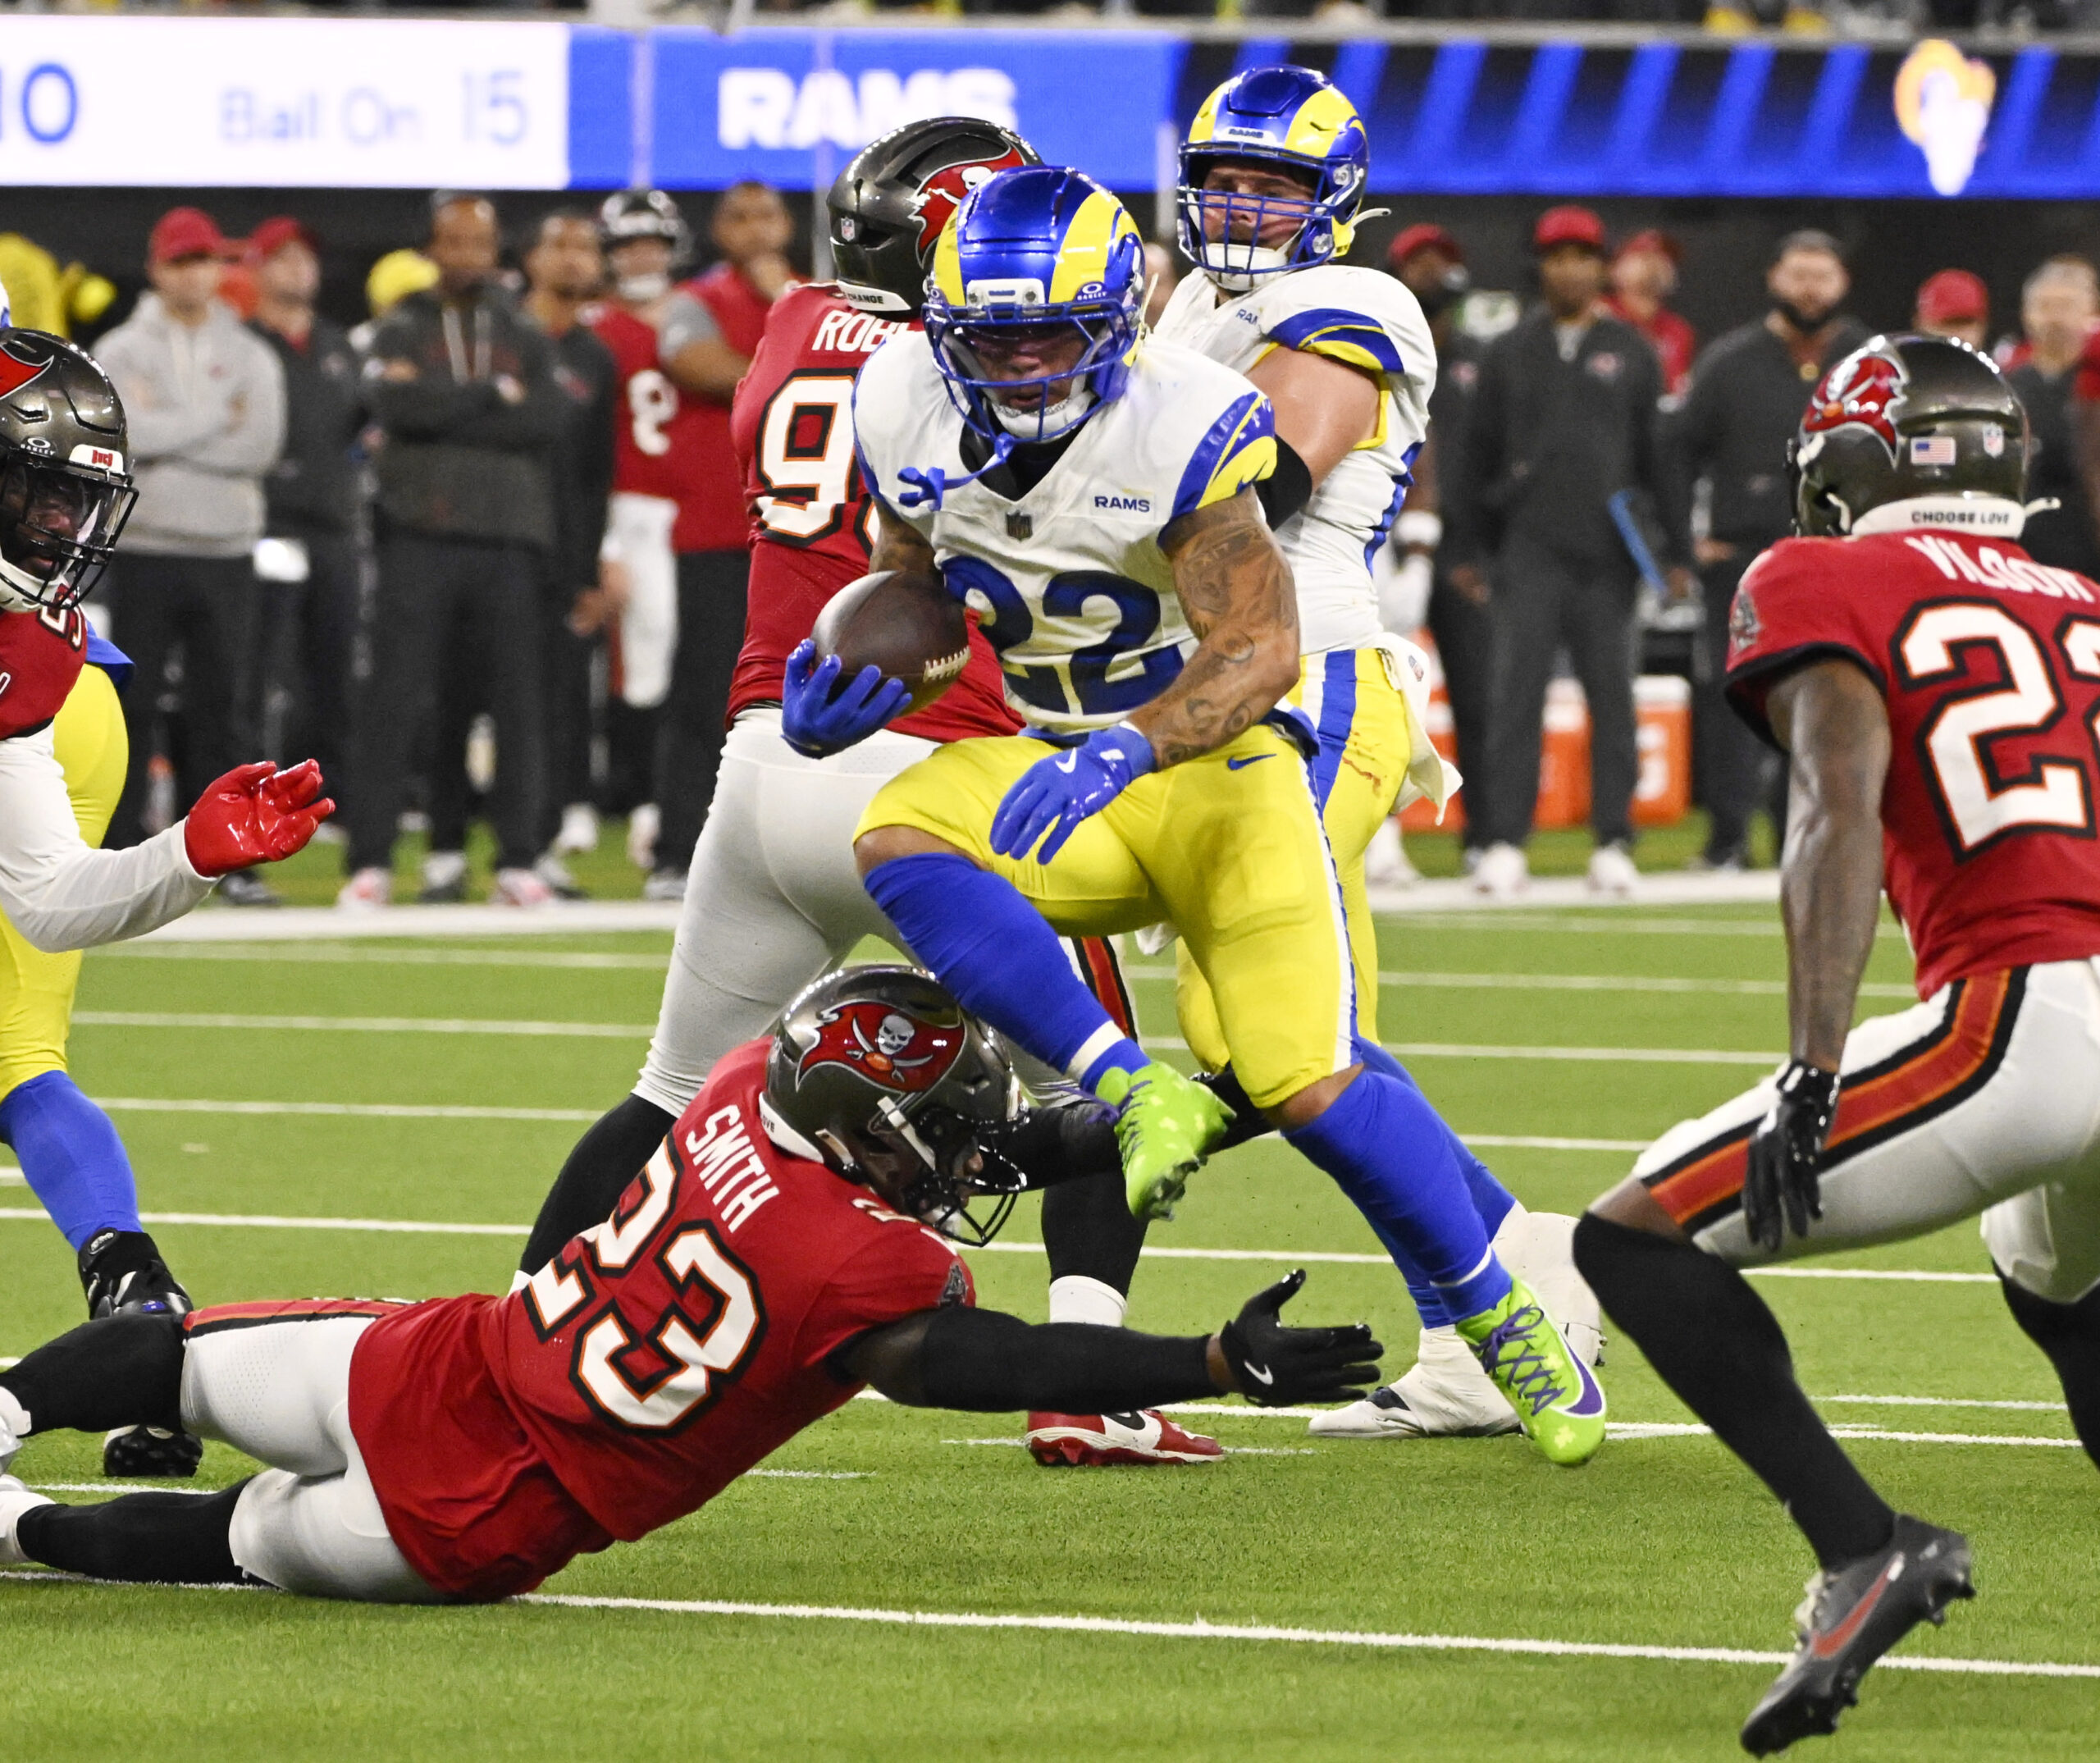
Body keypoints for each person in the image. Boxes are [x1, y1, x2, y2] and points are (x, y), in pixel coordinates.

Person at [847, 165, 1607, 1468]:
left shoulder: (1209, 399)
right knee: (897, 832)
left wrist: (1126, 744)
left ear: (1111, 323)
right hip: (1074, 751)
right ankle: (1124, 1085)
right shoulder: (904, 397)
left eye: (1050, 334)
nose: (1022, 368)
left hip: (1230, 752)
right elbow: (913, 585)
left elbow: (1260, 641)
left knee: (1300, 1070)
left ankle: (1505, 1320)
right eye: (991, 336)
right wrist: (856, 679)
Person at [532, 121, 1208, 1472]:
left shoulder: (788, 324)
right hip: (933, 783)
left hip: (768, 758)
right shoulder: (964, 376)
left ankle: (523, 1333)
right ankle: (1086, 1375)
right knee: (1117, 1076)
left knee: (668, 1090)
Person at [0, 966, 1380, 1602]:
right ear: (871, 1135)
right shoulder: (859, 1254)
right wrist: (1202, 1357)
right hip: (489, 1510)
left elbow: (1019, 1138)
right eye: (942, 1131)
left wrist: (1238, 1097)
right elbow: (993, 1364)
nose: (973, 1149)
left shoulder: (745, 1084)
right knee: (230, 1536)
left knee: (171, 1354)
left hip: (456, 1356)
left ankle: (4, 1431)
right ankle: (24, 1530)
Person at [1574, 337, 2100, 1752]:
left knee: (1632, 1240)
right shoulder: (2089, 600)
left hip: (2030, 1010)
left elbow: (1835, 811)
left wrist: (1814, 1062)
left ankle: (1864, 1544)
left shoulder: (1823, 573)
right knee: (2058, 1285)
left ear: (1850, 467)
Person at [1153, 68, 1598, 1443]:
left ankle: (1512, 1295)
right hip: (1232, 681)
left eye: (1271, 187)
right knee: (1310, 1045)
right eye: (1223, 178)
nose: (1238, 205)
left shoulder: (1353, 303)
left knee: (1273, 1042)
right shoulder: (1190, 302)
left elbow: (1268, 476)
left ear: (1332, 203)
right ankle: (1513, 1290)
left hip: (1315, 675)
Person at [0, 327, 334, 1478]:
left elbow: (45, 898)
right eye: (37, 495)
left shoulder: (26, 645)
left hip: (68, 718)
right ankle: (136, 1295)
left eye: (73, 502)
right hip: (88, 710)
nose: (61, 531)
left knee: (15, 1044)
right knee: (16, 1049)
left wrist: (191, 852)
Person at [1446, 204, 1694, 900]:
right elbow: (1473, 457)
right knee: (1514, 698)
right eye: (1557, 257)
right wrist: (1466, 546)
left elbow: (1661, 460)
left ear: (1601, 266)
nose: (1570, 269)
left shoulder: (1633, 350)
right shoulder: (1508, 350)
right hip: (1527, 549)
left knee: (1613, 698)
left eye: (1583, 256)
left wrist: (1674, 551)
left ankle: (1614, 839)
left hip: (1608, 553)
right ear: (1540, 266)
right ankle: (1502, 842)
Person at [339, 194, 564, 910]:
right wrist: (493, 396)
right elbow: (397, 410)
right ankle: (369, 860)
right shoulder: (399, 324)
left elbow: (548, 418)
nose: (467, 254)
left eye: (479, 242)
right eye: (453, 241)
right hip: (417, 536)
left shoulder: (523, 329)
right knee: (394, 701)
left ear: (495, 249)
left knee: (516, 705)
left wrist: (447, 404)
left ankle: (518, 858)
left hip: (508, 539)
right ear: (431, 248)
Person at [423, 209, 616, 902]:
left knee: (549, 707)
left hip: (554, 557)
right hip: (478, 539)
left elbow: (596, 475)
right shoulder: (495, 334)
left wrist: (589, 569)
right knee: (456, 694)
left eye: (586, 248)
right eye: (560, 243)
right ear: (529, 258)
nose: (573, 258)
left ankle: (529, 849)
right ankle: (445, 847)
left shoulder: (595, 356)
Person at [98, 207, 287, 907]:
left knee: (225, 705)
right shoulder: (121, 349)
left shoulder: (252, 353)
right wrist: (214, 414)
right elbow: (122, 435)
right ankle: (118, 856)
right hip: (146, 546)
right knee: (132, 703)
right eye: (181, 260)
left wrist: (165, 433)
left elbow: (259, 446)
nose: (195, 273)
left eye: (205, 259)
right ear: (156, 267)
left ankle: (229, 857)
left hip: (226, 550)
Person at [1666, 230, 1869, 870]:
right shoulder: (1730, 360)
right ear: (1774, 279)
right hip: (1747, 559)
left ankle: (1805, 838)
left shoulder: (1871, 362)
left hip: (1842, 559)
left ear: (1843, 284)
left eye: (1823, 274)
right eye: (1799, 272)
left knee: (1831, 702)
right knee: (1736, 700)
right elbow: (1675, 450)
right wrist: (1683, 541)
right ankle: (1727, 838)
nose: (1810, 287)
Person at [643, 182, 796, 899]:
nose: (756, 228)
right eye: (740, 216)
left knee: (797, 699)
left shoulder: (822, 295)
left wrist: (790, 300)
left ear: (788, 223)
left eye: (767, 213)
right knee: (705, 692)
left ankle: (782, 852)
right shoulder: (696, 299)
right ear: (717, 231)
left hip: (804, 533)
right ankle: (678, 850)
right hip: (717, 526)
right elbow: (698, 364)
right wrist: (792, 348)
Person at [588, 190, 705, 856]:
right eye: (628, 245)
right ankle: (638, 800)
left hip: (695, 506)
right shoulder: (599, 328)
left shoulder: (697, 319)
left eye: (651, 244)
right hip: (631, 505)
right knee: (645, 658)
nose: (641, 256)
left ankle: (664, 798)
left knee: (695, 656)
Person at [245, 217, 365, 835]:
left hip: (332, 525)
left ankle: (331, 798)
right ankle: (255, 797)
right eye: (283, 259)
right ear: (259, 269)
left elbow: (360, 430)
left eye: (305, 259)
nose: (298, 270)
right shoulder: (244, 345)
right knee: (265, 672)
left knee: (334, 669)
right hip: (267, 524)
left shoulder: (339, 346)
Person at [1387, 222, 1495, 875]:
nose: (1432, 275)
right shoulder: (1374, 351)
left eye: (1442, 263)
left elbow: (1500, 460)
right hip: (1379, 544)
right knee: (1380, 698)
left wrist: (1477, 554)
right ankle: (1378, 840)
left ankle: (1487, 839)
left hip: (1461, 555)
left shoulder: (1483, 361)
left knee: (1482, 699)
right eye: (1418, 263)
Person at [2007, 257, 2100, 577]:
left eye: (2066, 305)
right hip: (2024, 556)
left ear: (2092, 312)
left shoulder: (2094, 384)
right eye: (2045, 306)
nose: (2054, 317)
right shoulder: (2008, 387)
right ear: (2025, 313)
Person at [1604, 228, 1695, 398]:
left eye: (1665, 259)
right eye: (1645, 257)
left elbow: (1676, 393)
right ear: (1616, 269)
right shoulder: (1599, 315)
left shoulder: (1678, 331)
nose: (1657, 265)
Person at [1913, 267, 1989, 349]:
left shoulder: (1997, 360)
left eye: (1964, 323)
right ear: (1921, 324)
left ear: (1983, 326)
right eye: (1948, 324)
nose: (1957, 337)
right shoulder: (1900, 361)